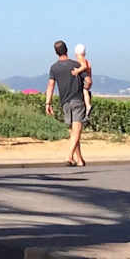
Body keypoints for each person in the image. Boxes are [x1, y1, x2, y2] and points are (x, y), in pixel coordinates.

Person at [44, 39, 89, 168]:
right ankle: (69, 156)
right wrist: (86, 88)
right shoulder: (76, 64)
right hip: (77, 99)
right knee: (76, 131)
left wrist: (48, 103)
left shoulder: (54, 68)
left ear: (56, 52)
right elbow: (87, 80)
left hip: (64, 102)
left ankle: (79, 160)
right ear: (67, 50)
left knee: (73, 132)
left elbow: (50, 86)